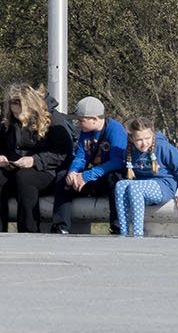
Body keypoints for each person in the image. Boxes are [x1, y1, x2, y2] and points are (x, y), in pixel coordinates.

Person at [0, 83, 74, 234]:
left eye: (21, 114)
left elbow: (63, 152)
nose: (19, 117)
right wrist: (0, 157)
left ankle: (28, 230)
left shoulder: (53, 119)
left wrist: (35, 160)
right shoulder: (8, 121)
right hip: (14, 166)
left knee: (25, 177)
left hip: (46, 169)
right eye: (15, 114)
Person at [51, 96, 128, 235]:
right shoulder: (85, 132)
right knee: (63, 178)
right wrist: (73, 172)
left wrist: (87, 175)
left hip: (107, 177)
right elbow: (81, 156)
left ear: (94, 119)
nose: (79, 124)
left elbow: (117, 161)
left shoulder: (116, 129)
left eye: (81, 120)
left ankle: (117, 227)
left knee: (115, 179)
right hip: (91, 177)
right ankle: (61, 227)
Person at [115, 119, 178, 237]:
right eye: (139, 140)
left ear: (153, 136)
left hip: (163, 185)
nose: (144, 143)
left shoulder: (163, 147)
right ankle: (124, 232)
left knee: (135, 188)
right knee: (120, 185)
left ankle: (137, 234)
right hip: (142, 185)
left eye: (147, 138)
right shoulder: (130, 150)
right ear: (131, 139)